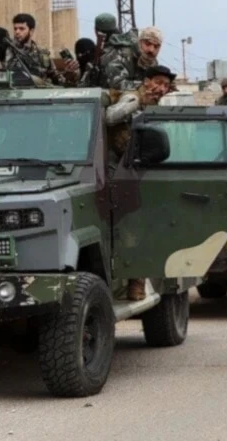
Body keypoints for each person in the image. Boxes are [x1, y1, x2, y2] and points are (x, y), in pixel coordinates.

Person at [102, 65, 176, 300]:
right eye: (158, 83)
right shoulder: (133, 98)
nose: (161, 89)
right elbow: (109, 117)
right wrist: (135, 103)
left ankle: (137, 281)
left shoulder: (153, 107)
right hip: (112, 172)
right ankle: (131, 281)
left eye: (165, 86)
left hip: (133, 172)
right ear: (147, 81)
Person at [11, 13, 78, 85]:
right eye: (15, 29)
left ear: (31, 31)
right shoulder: (8, 51)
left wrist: (68, 72)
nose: (17, 32)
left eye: (21, 29)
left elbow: (56, 79)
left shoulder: (42, 53)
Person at [102, 26, 163, 91]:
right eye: (147, 44)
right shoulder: (122, 54)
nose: (151, 50)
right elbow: (117, 84)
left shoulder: (153, 63)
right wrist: (146, 86)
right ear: (139, 42)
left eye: (156, 46)